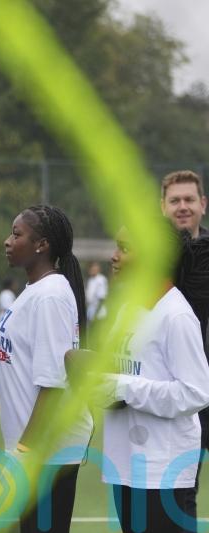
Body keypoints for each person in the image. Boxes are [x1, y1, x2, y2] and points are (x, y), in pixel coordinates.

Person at [97, 223, 209, 532]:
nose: (114, 256)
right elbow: (121, 374)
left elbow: (196, 392)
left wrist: (121, 387)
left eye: (126, 248)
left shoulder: (177, 316)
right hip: (125, 463)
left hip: (163, 470)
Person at [0, 204, 93, 533]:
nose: (8, 241)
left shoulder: (49, 296)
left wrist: (23, 453)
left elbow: (53, 384)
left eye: (17, 234)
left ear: (42, 245)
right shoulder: (36, 291)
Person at [160, 169, 209, 519]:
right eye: (174, 200)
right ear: (162, 207)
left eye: (189, 199)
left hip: (204, 387)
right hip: (169, 391)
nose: (182, 206)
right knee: (177, 493)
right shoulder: (149, 260)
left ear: (203, 204)